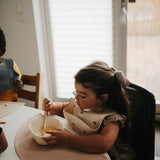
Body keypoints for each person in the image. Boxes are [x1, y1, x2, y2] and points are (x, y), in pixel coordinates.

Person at [42, 61, 136, 160]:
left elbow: (104, 143)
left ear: (102, 99)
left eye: (82, 95)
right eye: (76, 92)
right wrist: (52, 106)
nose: (76, 98)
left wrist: (67, 139)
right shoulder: (81, 104)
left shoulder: (111, 118)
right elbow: (62, 107)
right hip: (79, 150)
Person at [0, 27, 23, 102]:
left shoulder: (10, 64)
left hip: (11, 107)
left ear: (2, 51)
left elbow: (19, 82)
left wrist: (19, 85)